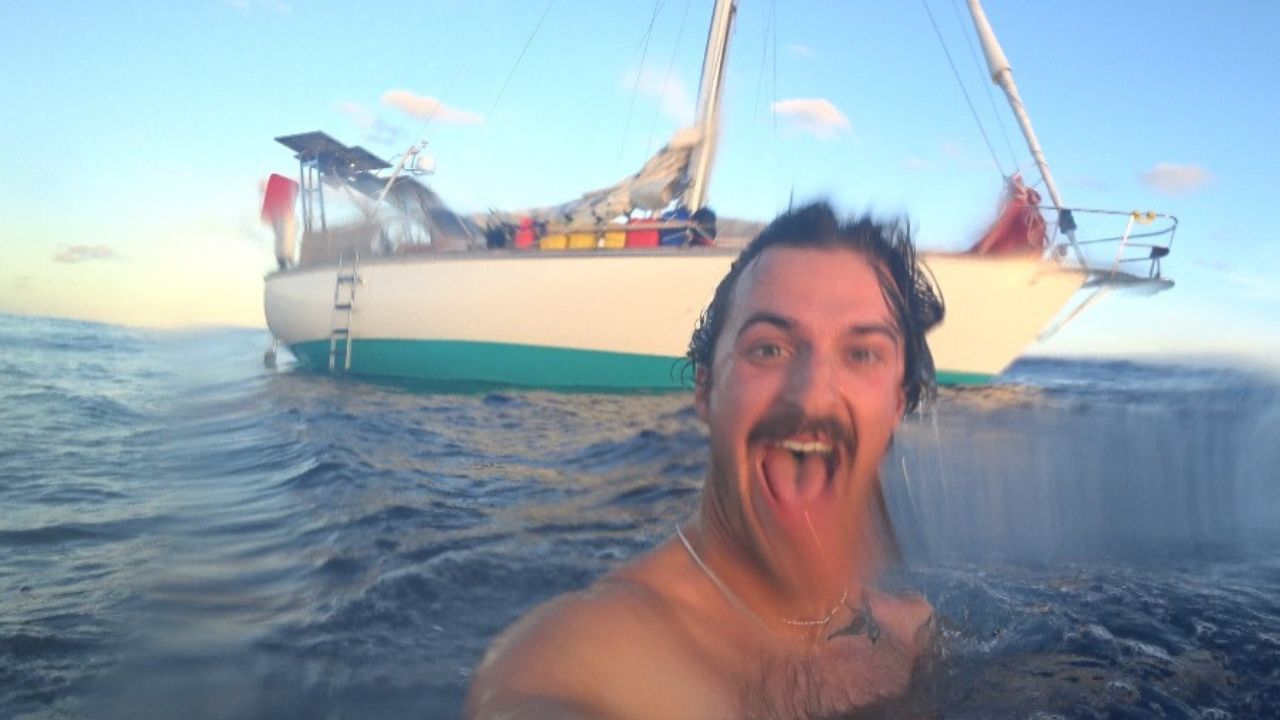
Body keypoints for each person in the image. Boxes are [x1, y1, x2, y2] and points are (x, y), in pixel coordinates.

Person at [467, 201, 946, 719]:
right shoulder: (579, 659)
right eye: (770, 349)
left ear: (897, 405)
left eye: (862, 354)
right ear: (706, 387)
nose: (812, 396)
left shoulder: (912, 633)